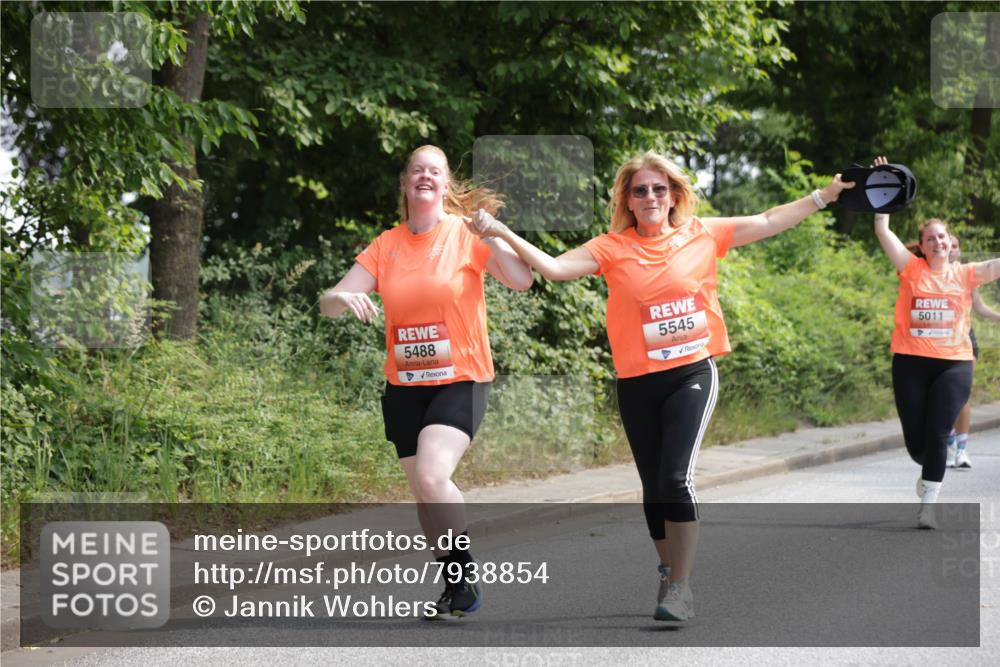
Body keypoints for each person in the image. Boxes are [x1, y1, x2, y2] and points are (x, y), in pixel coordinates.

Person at [465, 150, 853, 621]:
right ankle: (668, 573)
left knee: (674, 479)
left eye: (658, 189)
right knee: (653, 487)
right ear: (628, 200)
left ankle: (682, 588)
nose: (649, 197)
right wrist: (501, 232)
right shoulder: (612, 246)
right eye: (640, 190)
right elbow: (554, 268)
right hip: (637, 382)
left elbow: (768, 219)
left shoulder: (702, 234)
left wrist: (824, 196)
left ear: (673, 196)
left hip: (692, 372)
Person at [319, 145, 533, 618]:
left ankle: (466, 576)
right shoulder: (386, 244)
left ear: (445, 184)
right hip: (404, 386)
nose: (425, 176)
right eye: (417, 169)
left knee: (435, 478)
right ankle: (456, 588)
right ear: (404, 183)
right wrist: (340, 297)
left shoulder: (464, 235)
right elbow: (329, 302)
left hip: (461, 378)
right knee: (423, 493)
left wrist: (495, 234)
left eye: (435, 170)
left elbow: (521, 280)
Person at [871, 156, 1000, 529]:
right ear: (923, 247)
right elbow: (883, 229)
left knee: (939, 431)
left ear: (950, 242)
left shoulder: (967, 274)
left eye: (942, 236)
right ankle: (927, 468)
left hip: (954, 364)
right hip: (910, 363)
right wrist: (885, 182)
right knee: (918, 444)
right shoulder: (910, 269)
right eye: (931, 238)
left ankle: (928, 503)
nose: (938, 241)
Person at [946, 234, 1000, 468]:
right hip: (936, 343)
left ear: (958, 250)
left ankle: (962, 450)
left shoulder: (967, 275)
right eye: (949, 245)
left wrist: (998, 317)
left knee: (961, 393)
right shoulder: (926, 273)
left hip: (965, 340)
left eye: (955, 246)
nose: (951, 249)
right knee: (942, 396)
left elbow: (978, 307)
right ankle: (947, 445)